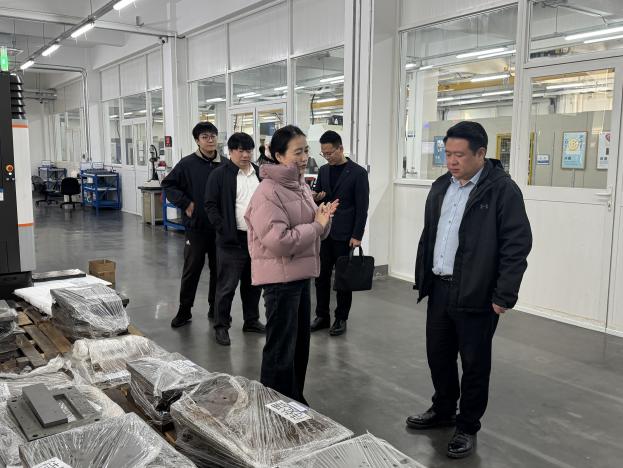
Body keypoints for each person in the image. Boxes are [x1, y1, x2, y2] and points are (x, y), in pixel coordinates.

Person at [407, 121, 532, 459]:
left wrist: (504, 295)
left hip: (478, 292)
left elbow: (516, 245)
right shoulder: (441, 186)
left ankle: (467, 425)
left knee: (474, 364)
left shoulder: (502, 190)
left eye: (459, 155)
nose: (451, 161)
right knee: (439, 355)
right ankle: (443, 409)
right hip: (440, 287)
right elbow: (431, 235)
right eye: (447, 153)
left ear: (481, 153)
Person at [245, 125, 338, 404]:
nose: (304, 157)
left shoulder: (300, 186)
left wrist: (323, 219)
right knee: (280, 350)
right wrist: (317, 226)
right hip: (279, 282)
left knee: (298, 347)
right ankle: (272, 407)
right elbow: (280, 241)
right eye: (297, 152)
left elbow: (315, 229)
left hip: (299, 276)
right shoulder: (268, 192)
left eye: (306, 151)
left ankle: (294, 400)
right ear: (278, 155)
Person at [205, 132, 265, 346]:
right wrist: (223, 228)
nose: (245, 155)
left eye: (248, 150)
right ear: (230, 152)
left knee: (253, 284)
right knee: (226, 286)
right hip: (232, 240)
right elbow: (210, 205)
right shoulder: (219, 174)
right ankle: (221, 326)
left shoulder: (260, 174)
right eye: (240, 151)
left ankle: (251, 320)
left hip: (256, 239)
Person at [310, 131, 369, 336]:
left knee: (343, 279)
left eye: (330, 153)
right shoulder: (324, 170)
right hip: (324, 232)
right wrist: (316, 197)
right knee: (321, 277)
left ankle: (341, 318)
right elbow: (319, 197)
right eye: (324, 153)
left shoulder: (358, 173)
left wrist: (357, 235)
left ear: (341, 148)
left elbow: (362, 207)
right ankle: (322, 316)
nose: (327, 157)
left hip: (345, 234)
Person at [162, 122, 221, 328]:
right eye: (205, 137)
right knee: (192, 269)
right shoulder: (187, 164)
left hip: (220, 228)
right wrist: (185, 203)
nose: (210, 140)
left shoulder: (225, 164)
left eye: (213, 136)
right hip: (196, 228)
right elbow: (168, 184)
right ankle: (184, 310)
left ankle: (216, 308)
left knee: (219, 270)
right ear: (197, 141)